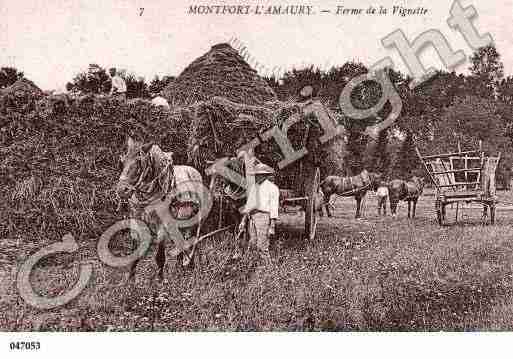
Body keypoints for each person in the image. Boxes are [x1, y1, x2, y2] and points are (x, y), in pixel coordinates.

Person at [239, 162, 279, 266]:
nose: (256, 177)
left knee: (262, 245)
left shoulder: (273, 188)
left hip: (264, 217)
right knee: (252, 243)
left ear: (264, 176)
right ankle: (256, 266)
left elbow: (274, 208)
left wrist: (272, 226)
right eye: (255, 175)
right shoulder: (254, 188)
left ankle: (267, 268)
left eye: (258, 175)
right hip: (252, 217)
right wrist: (243, 221)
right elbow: (248, 205)